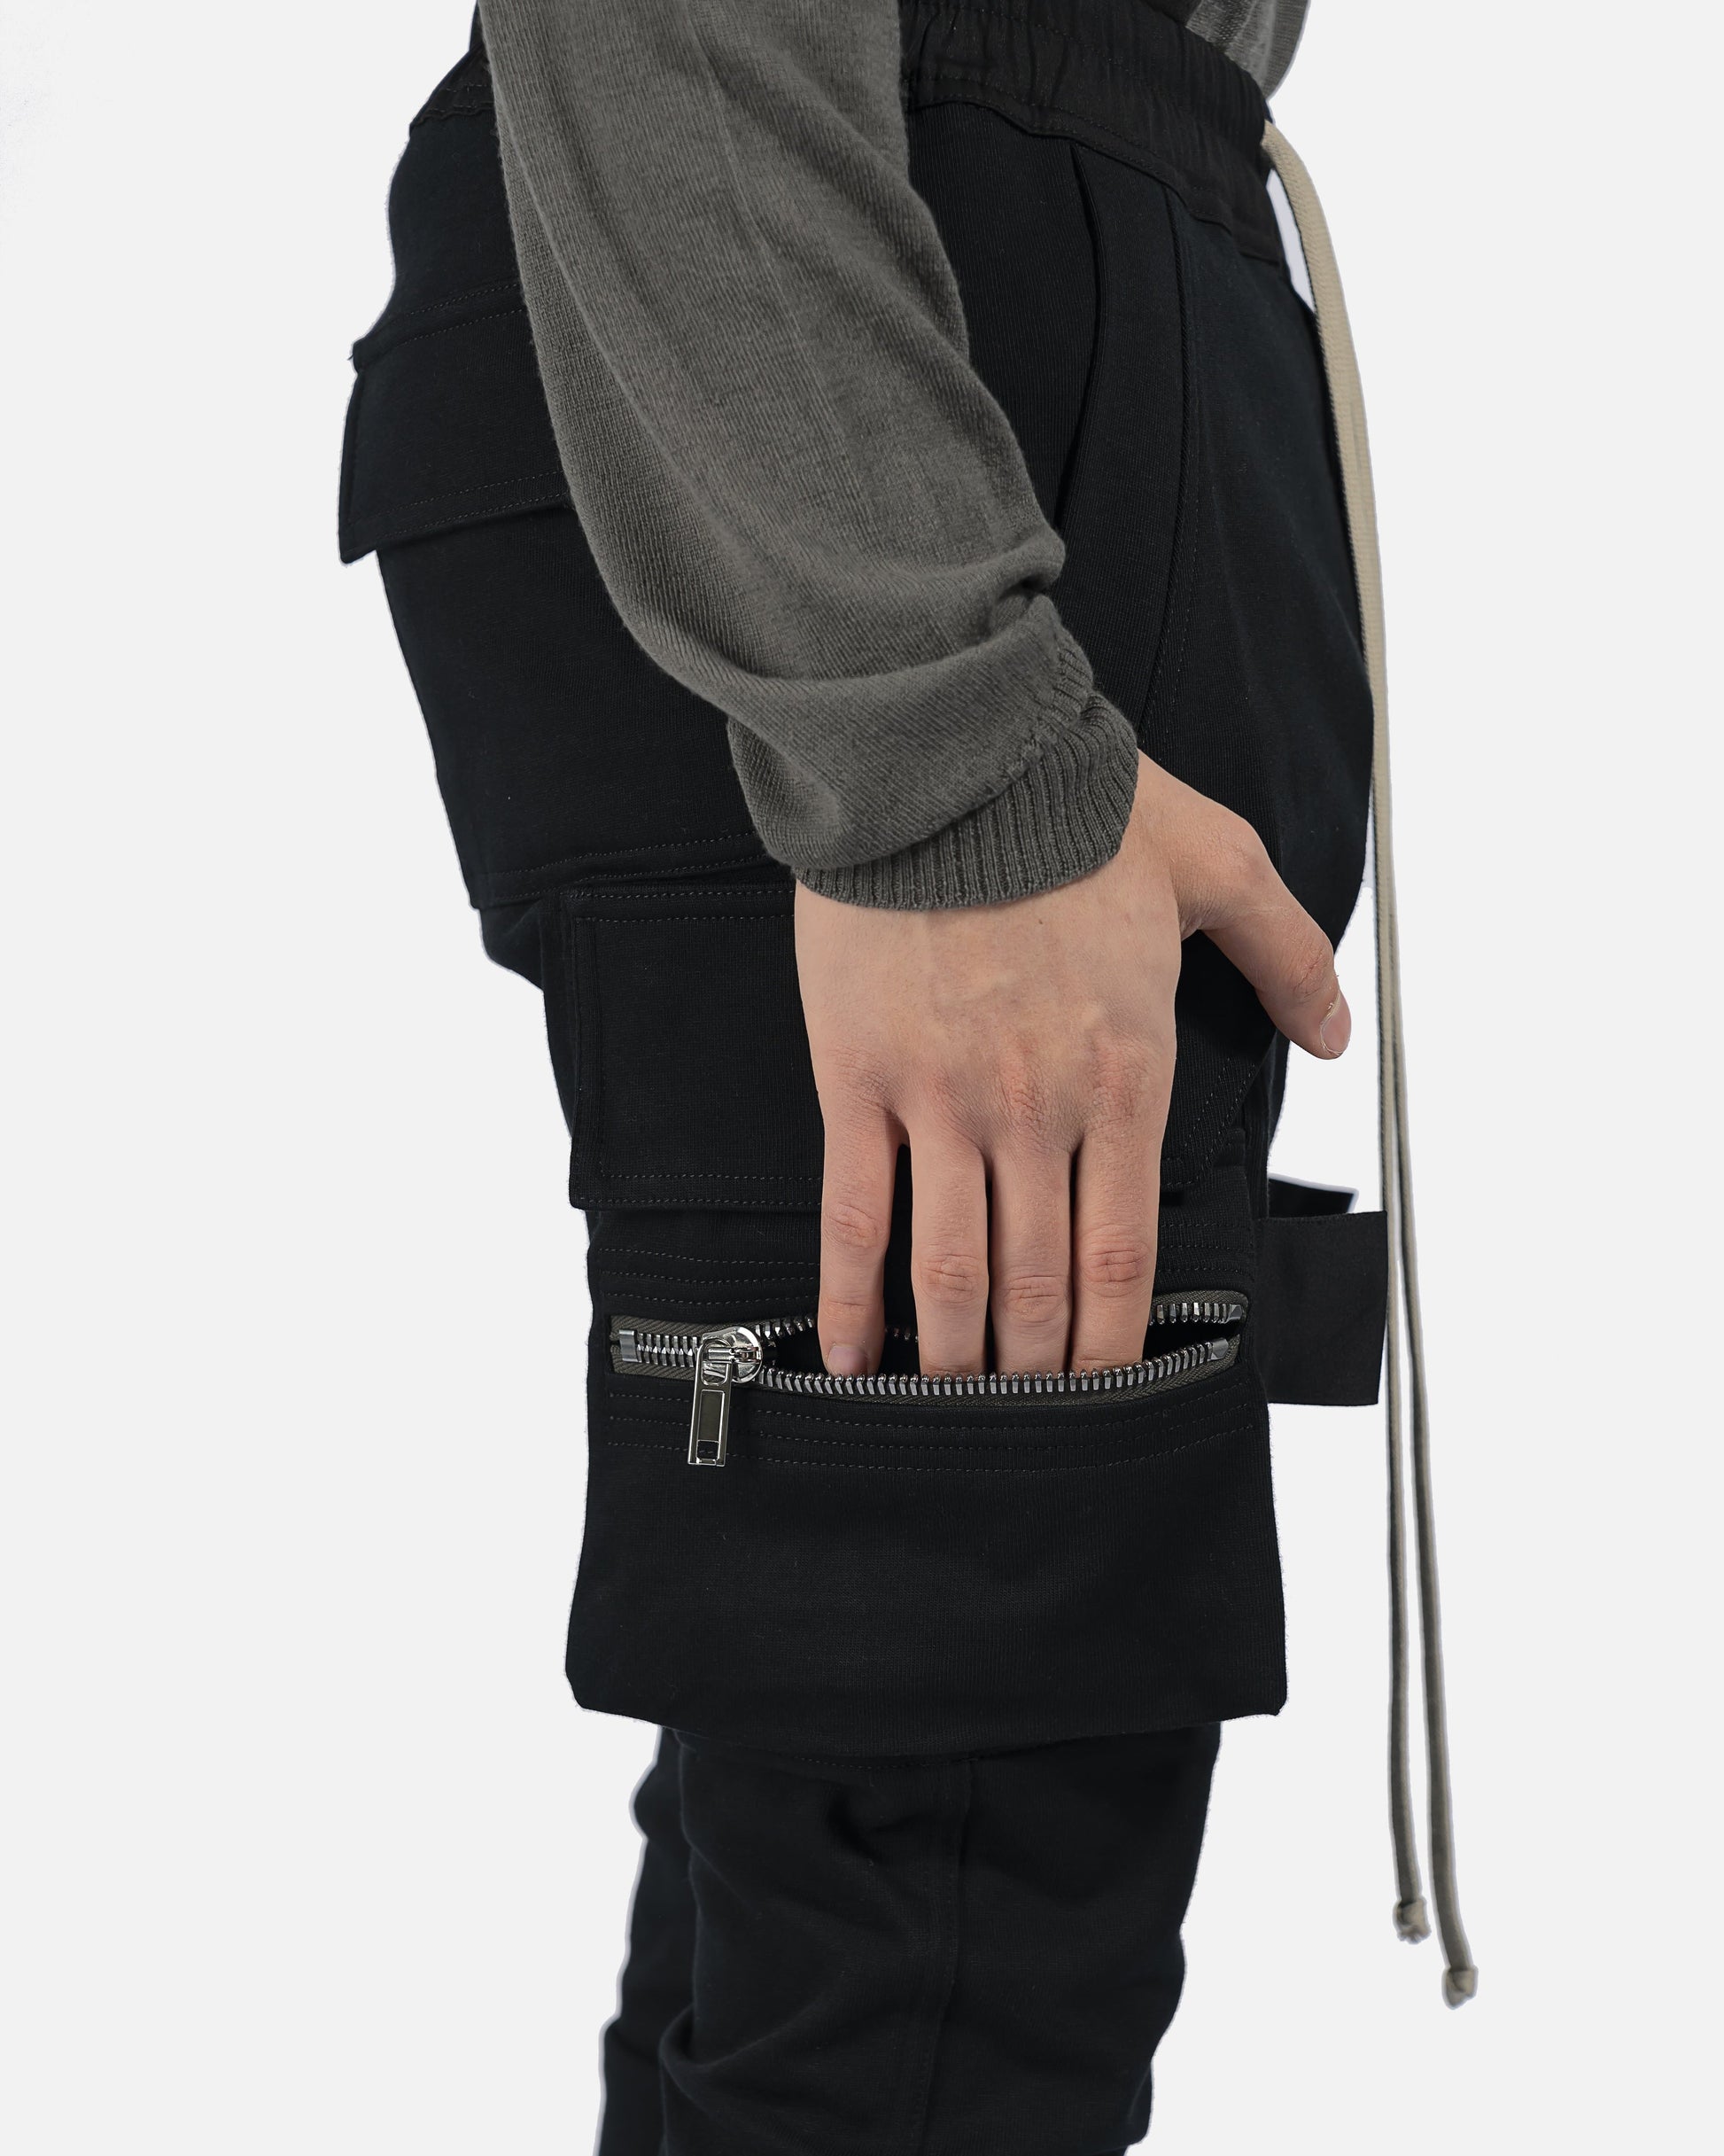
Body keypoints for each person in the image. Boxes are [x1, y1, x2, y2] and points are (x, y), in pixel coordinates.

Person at [340, 3, 1467, 2146]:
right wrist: (944, 747)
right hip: (885, 319)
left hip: (918, 301)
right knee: (937, 1889)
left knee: (869, 1805)